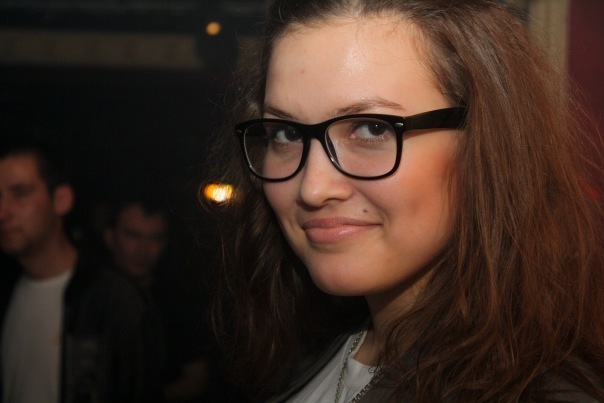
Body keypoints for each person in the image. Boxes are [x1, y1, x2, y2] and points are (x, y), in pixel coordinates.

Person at [203, 0, 604, 402]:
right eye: (286, 134)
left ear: (486, 144)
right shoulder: (306, 350)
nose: (313, 188)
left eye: (371, 128)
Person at [0, 140, 162, 403]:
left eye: (20, 193)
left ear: (61, 200)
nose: (2, 212)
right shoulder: (7, 289)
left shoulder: (114, 300)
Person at [104, 194, 211, 402]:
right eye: (133, 235)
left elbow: (198, 379)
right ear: (110, 237)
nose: (144, 250)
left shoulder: (177, 302)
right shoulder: (88, 297)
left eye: (156, 238)